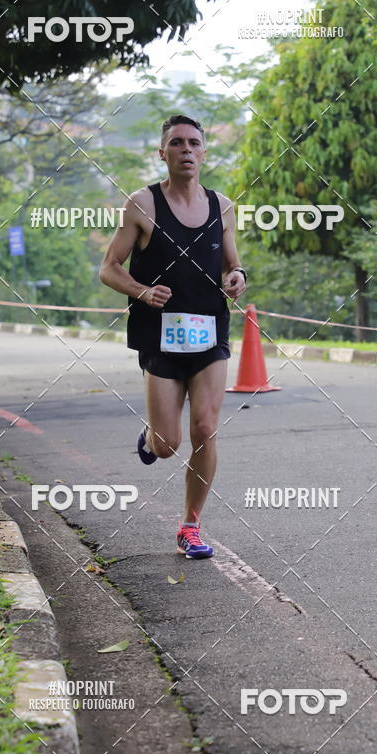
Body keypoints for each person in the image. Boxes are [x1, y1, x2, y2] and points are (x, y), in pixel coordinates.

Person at [99, 114, 247, 559]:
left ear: (204, 152)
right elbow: (108, 268)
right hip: (159, 337)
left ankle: (191, 525)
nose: (186, 150)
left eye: (194, 143)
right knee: (167, 445)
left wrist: (237, 277)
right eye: (177, 143)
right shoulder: (142, 204)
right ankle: (150, 438)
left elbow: (232, 264)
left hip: (209, 332)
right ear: (162, 154)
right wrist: (142, 291)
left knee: (205, 426)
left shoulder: (222, 206)